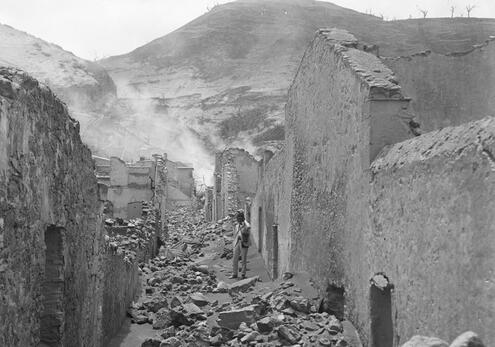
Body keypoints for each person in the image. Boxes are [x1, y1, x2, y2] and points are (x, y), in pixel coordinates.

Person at [230, 210, 251, 279]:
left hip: (244, 243)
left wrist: (244, 221)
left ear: (243, 218)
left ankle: (243, 274)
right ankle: (234, 273)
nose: (238, 219)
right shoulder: (236, 226)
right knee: (235, 258)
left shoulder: (246, 225)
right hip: (237, 243)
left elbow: (248, 226)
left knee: (243, 259)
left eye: (240, 217)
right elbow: (235, 235)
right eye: (238, 218)